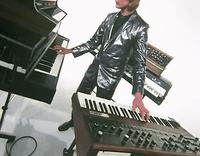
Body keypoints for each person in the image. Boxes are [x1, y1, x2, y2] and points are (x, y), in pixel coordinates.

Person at [53, 0, 150, 131]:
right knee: (78, 98)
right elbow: (94, 42)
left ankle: (89, 132)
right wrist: (71, 50)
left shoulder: (140, 26)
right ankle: (73, 121)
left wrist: (138, 96)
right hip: (94, 68)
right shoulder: (110, 17)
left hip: (111, 76)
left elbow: (140, 63)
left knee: (99, 109)